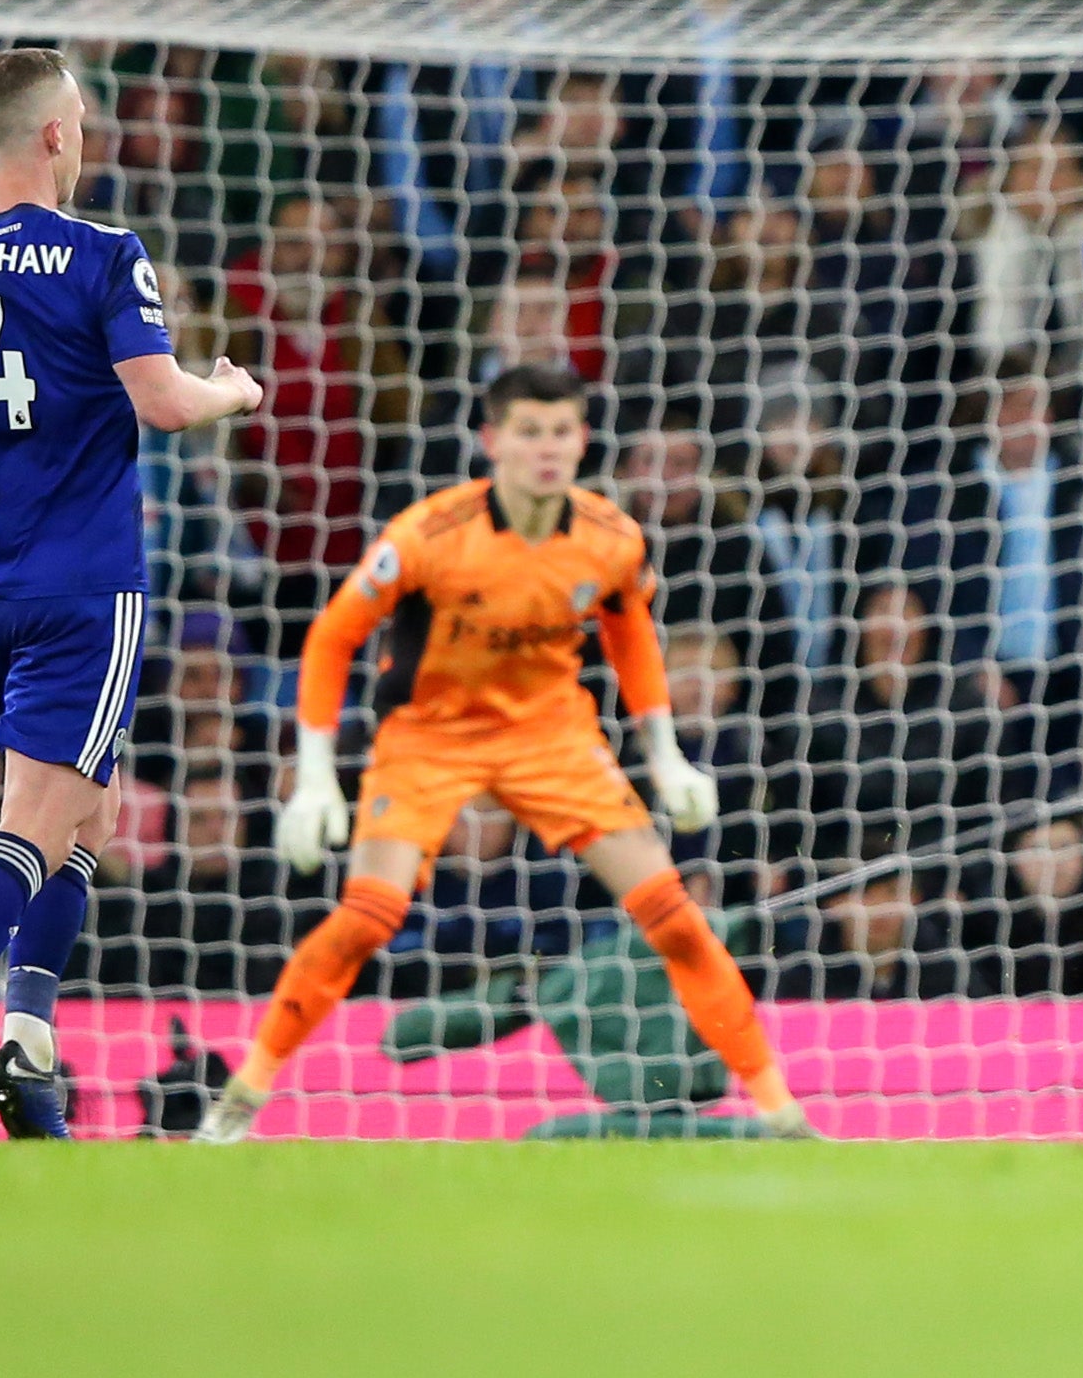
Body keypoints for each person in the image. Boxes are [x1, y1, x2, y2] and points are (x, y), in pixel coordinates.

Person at [0, 46, 263, 1138]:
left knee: (88, 820)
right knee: (34, 827)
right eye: (84, 119)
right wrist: (230, 392)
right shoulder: (106, 254)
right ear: (58, 134)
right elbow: (162, 407)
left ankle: (27, 1054)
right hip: (89, 585)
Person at [201, 362, 810, 1144]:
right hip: (429, 737)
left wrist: (664, 755)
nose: (547, 449)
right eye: (529, 432)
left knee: (677, 921)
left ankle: (780, 1111)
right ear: (493, 441)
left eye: (561, 432)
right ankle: (240, 1101)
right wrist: (315, 776)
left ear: (582, 440)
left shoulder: (609, 537)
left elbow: (630, 633)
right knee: (365, 920)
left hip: (551, 737)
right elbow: (331, 638)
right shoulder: (430, 534)